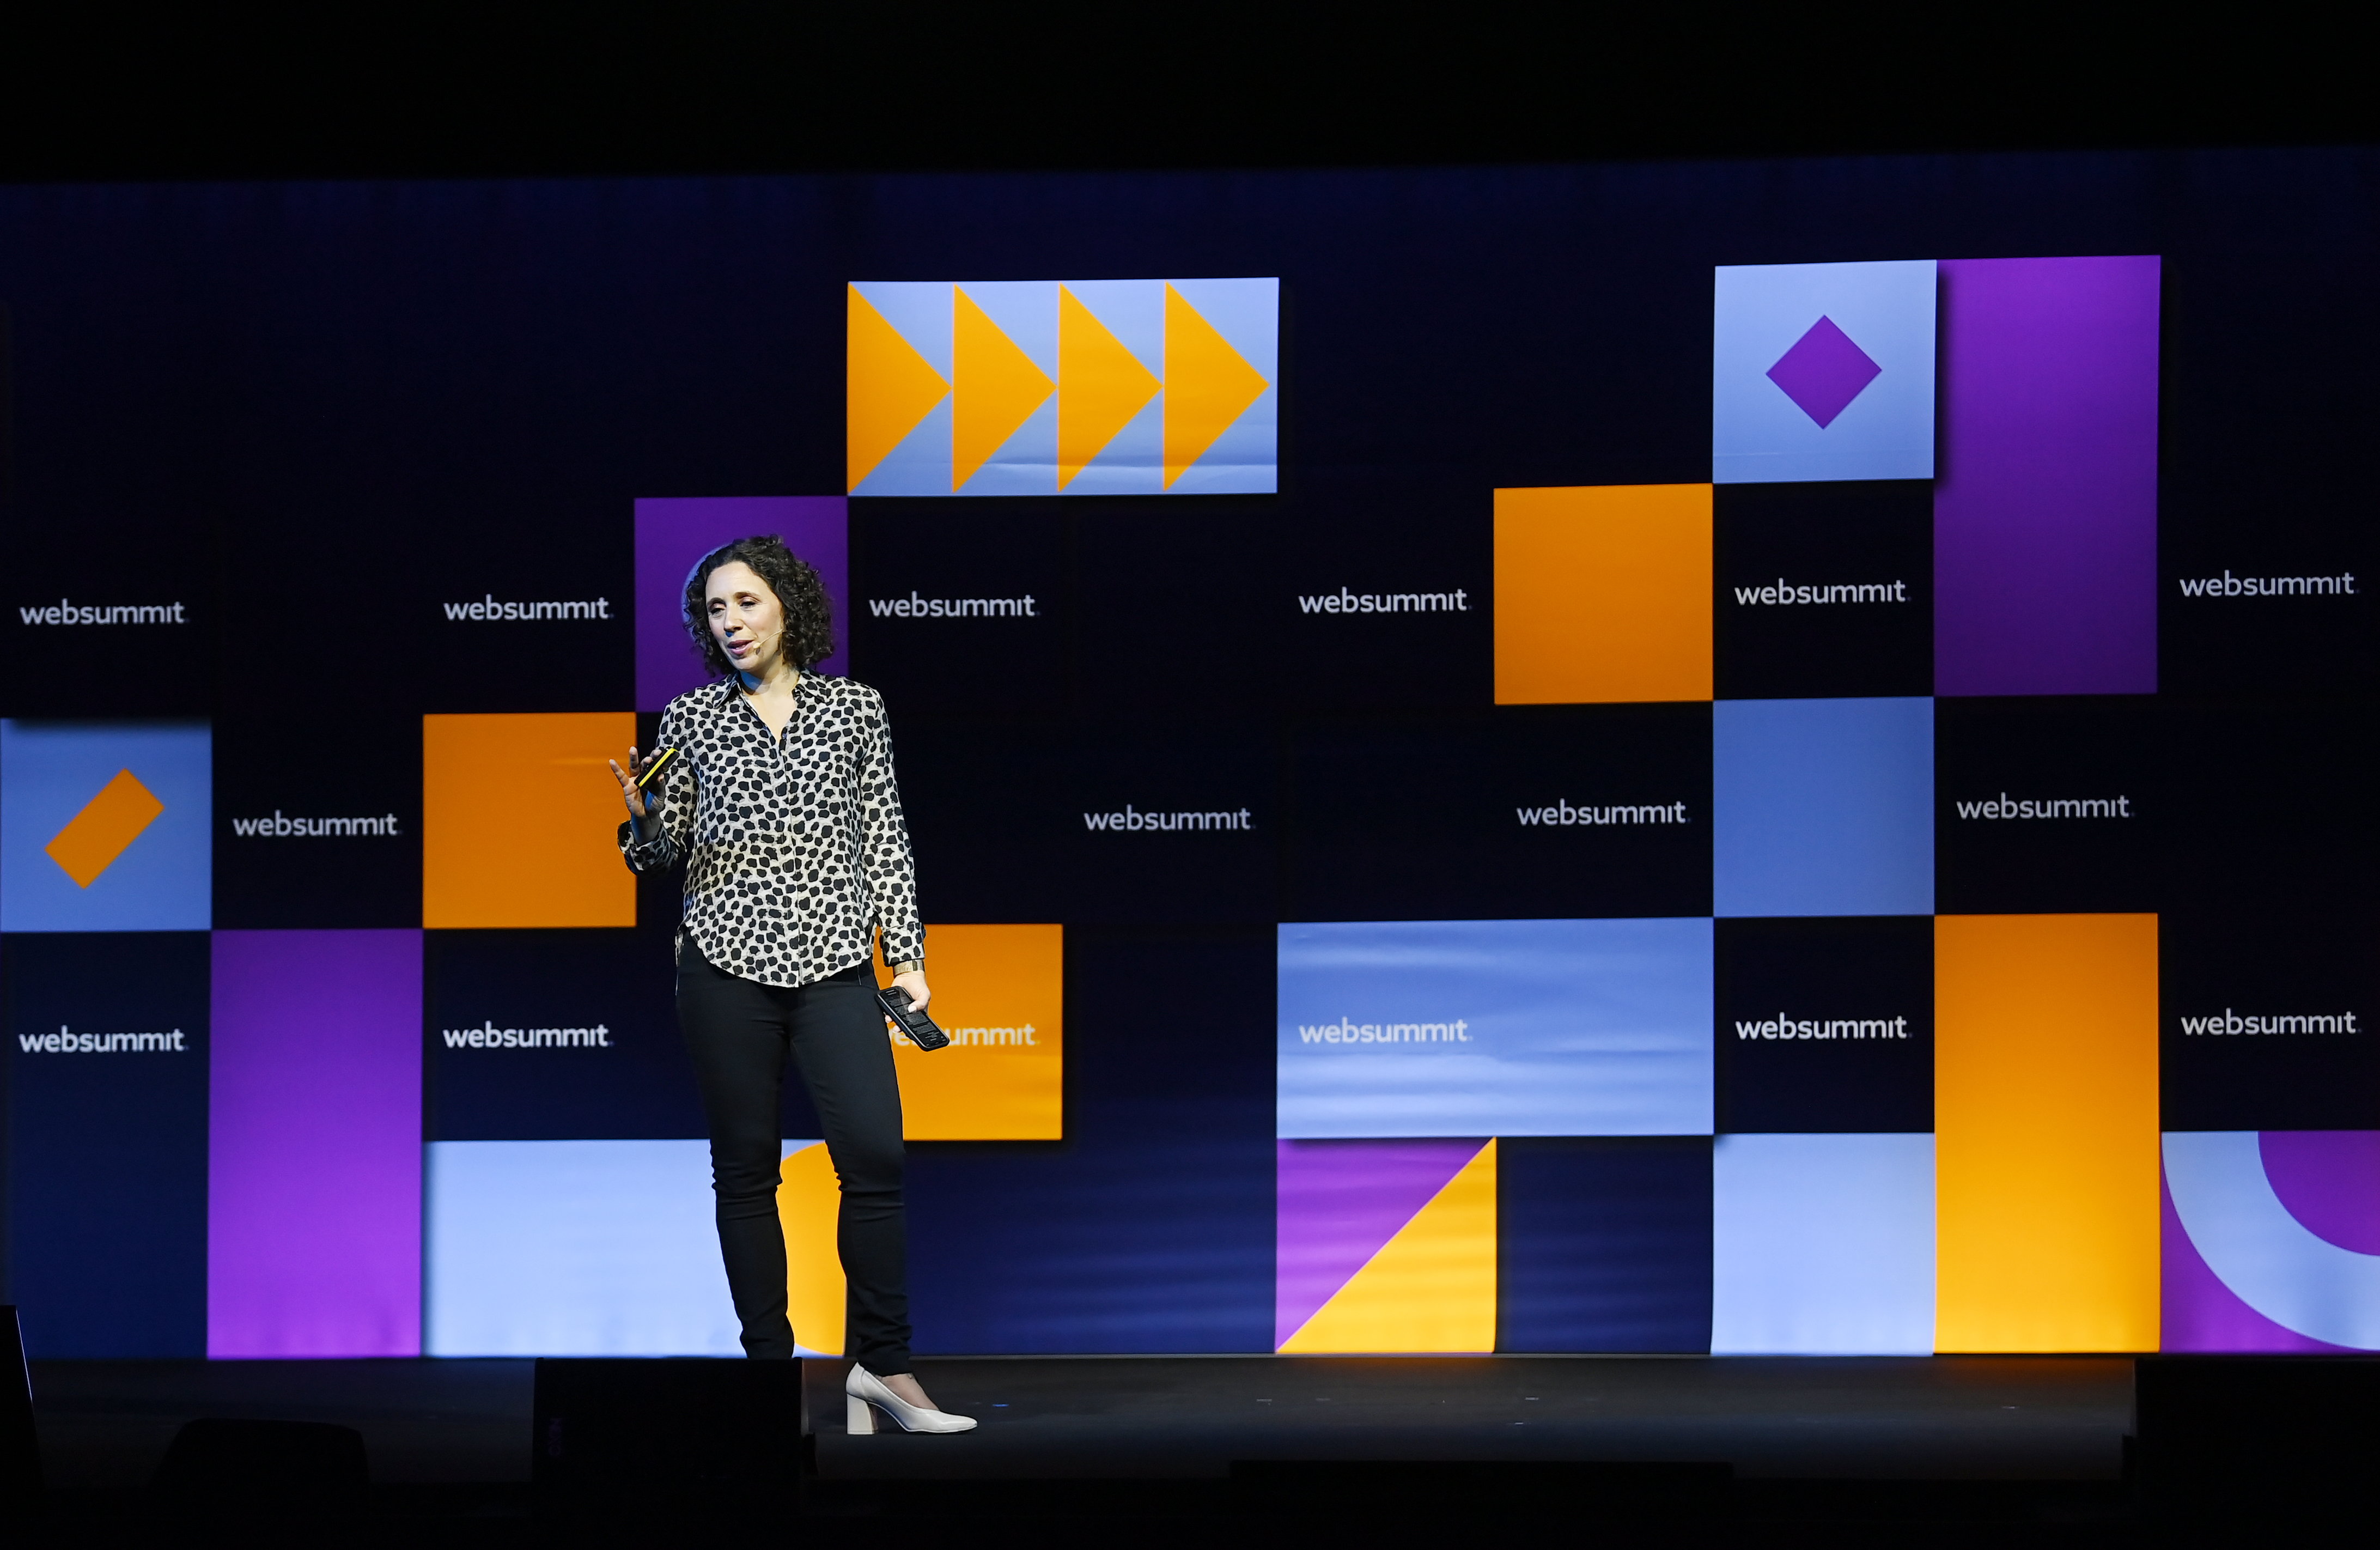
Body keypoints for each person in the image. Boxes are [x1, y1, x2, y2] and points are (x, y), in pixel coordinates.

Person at [609, 534, 975, 1436]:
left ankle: (881, 1368)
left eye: (745, 602)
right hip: (723, 963)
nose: (729, 622)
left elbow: (885, 834)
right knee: (745, 1174)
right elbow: (664, 855)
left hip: (837, 963)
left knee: (876, 1162)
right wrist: (643, 825)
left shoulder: (855, 708)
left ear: (787, 605)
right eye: (714, 611)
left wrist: (910, 959)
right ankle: (765, 1384)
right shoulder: (690, 719)